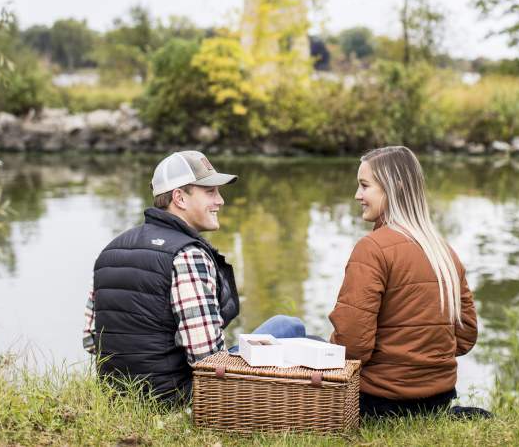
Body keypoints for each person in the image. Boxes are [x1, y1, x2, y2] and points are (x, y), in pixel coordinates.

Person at [82, 150, 311, 404]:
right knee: (291, 328)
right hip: (177, 397)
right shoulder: (188, 255)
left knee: (287, 334)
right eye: (210, 191)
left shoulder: (111, 250)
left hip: (115, 395)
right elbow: (208, 361)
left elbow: (91, 341)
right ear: (179, 197)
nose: (220, 201)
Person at [329, 146, 479, 418]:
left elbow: (351, 346)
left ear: (394, 188)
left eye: (365, 186)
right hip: (439, 399)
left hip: (380, 402)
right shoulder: (444, 251)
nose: (357, 195)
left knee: (302, 338)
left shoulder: (372, 248)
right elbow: (466, 336)